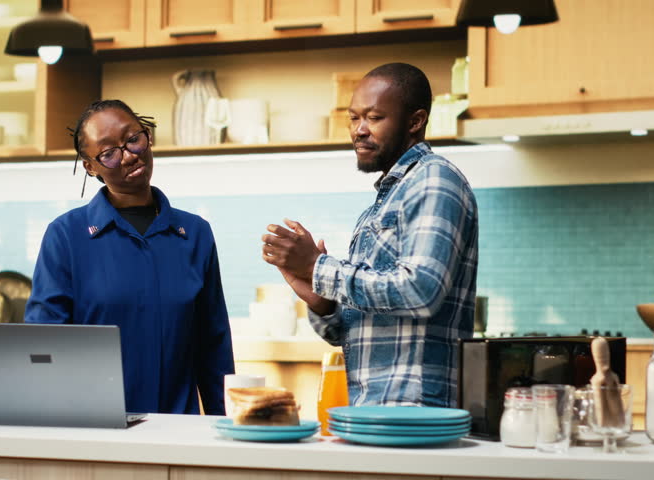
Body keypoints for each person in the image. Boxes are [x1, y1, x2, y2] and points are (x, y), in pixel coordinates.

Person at [261, 63, 478, 408]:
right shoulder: (378, 206)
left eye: (374, 118)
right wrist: (322, 301)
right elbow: (350, 332)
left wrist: (319, 268)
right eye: (353, 118)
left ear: (415, 121)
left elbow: (421, 291)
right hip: (374, 409)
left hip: (415, 411)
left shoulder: (434, 179)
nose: (359, 130)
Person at [25, 99, 234, 415]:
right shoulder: (66, 235)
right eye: (108, 153)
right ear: (90, 167)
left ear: (148, 136)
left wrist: (225, 425)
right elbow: (43, 343)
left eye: (133, 139)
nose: (128, 155)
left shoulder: (195, 233)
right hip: (96, 428)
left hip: (178, 430)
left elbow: (214, 344)